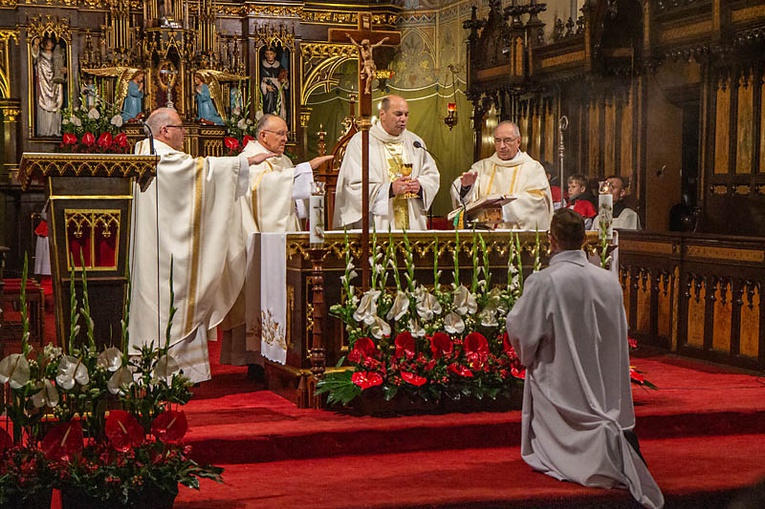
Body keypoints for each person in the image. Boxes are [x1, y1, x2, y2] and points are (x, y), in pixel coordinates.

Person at [505, 208, 664, 509]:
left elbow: (522, 331)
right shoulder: (608, 280)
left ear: (550, 241)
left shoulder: (544, 281)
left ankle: (584, 452)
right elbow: (621, 331)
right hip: (603, 380)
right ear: (584, 240)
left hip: (562, 380)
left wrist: (527, 353)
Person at [129, 107, 276, 383]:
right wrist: (243, 164)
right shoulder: (161, 157)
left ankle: (155, 369)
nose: (184, 132)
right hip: (164, 255)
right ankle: (170, 373)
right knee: (172, 304)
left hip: (157, 247)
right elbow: (198, 172)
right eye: (180, 127)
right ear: (164, 131)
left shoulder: (143, 153)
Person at [219, 114, 333, 372]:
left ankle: (280, 354)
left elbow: (293, 201)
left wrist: (302, 183)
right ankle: (254, 361)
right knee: (256, 295)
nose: (285, 138)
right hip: (255, 241)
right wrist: (305, 170)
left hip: (283, 238)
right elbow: (261, 190)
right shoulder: (248, 159)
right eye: (279, 134)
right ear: (263, 136)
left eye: (285, 133)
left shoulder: (285, 161)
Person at [333, 95, 440, 231]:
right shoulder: (362, 142)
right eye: (398, 114)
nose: (403, 119)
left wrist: (420, 186)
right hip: (377, 224)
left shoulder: (414, 142)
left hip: (412, 224)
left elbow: (431, 176)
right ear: (382, 114)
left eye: (406, 115)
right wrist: (389, 189)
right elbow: (351, 186)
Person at [450, 121, 553, 230]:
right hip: (484, 235)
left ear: (518, 141)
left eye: (507, 140)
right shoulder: (482, 167)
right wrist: (466, 187)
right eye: (498, 140)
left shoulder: (533, 168)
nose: (502, 146)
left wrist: (503, 208)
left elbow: (538, 200)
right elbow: (460, 194)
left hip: (517, 238)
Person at [32, 36, 66, 137]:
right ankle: (44, 130)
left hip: (56, 84)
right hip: (44, 85)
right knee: (44, 106)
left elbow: (66, 66)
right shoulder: (40, 56)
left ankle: (55, 130)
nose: (49, 44)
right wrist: (35, 45)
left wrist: (66, 70)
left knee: (56, 106)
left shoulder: (59, 55)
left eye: (51, 42)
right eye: (48, 42)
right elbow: (34, 56)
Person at [260, 47, 287, 118]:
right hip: (266, 89)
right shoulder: (261, 65)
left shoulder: (279, 66)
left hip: (278, 87)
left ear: (274, 55)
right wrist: (265, 86)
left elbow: (284, 80)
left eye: (271, 54)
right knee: (268, 101)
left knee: (279, 103)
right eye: (267, 54)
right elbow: (258, 79)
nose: (269, 56)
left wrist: (284, 81)